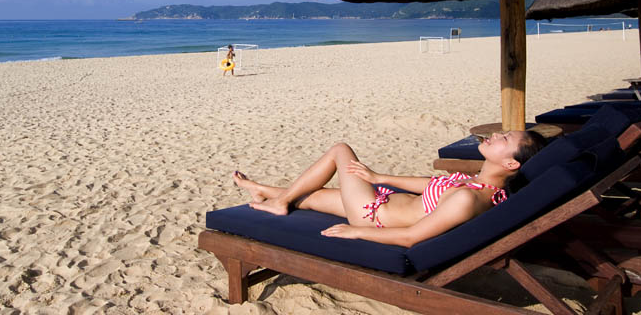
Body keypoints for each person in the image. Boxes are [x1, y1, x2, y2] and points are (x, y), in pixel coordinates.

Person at [232, 131, 546, 248]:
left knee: (341, 150)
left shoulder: (469, 198)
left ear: (511, 164)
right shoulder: (479, 183)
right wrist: (379, 176)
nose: (496, 134)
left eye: (505, 139)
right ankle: (261, 190)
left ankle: (280, 202)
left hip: (373, 217)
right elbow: (430, 184)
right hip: (381, 202)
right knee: (313, 198)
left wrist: (357, 232)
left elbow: (411, 237)